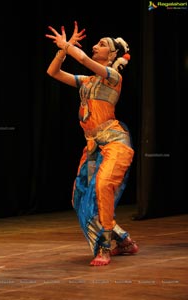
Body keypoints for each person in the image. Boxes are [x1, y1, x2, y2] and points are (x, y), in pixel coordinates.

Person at [45, 21, 138, 266]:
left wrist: (69, 46)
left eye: (102, 44)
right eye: (97, 43)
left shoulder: (113, 77)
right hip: (94, 147)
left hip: (116, 142)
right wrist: (62, 51)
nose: (97, 45)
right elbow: (53, 72)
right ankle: (123, 240)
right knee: (81, 198)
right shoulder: (86, 82)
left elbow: (85, 59)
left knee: (103, 185)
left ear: (113, 55)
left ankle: (105, 248)